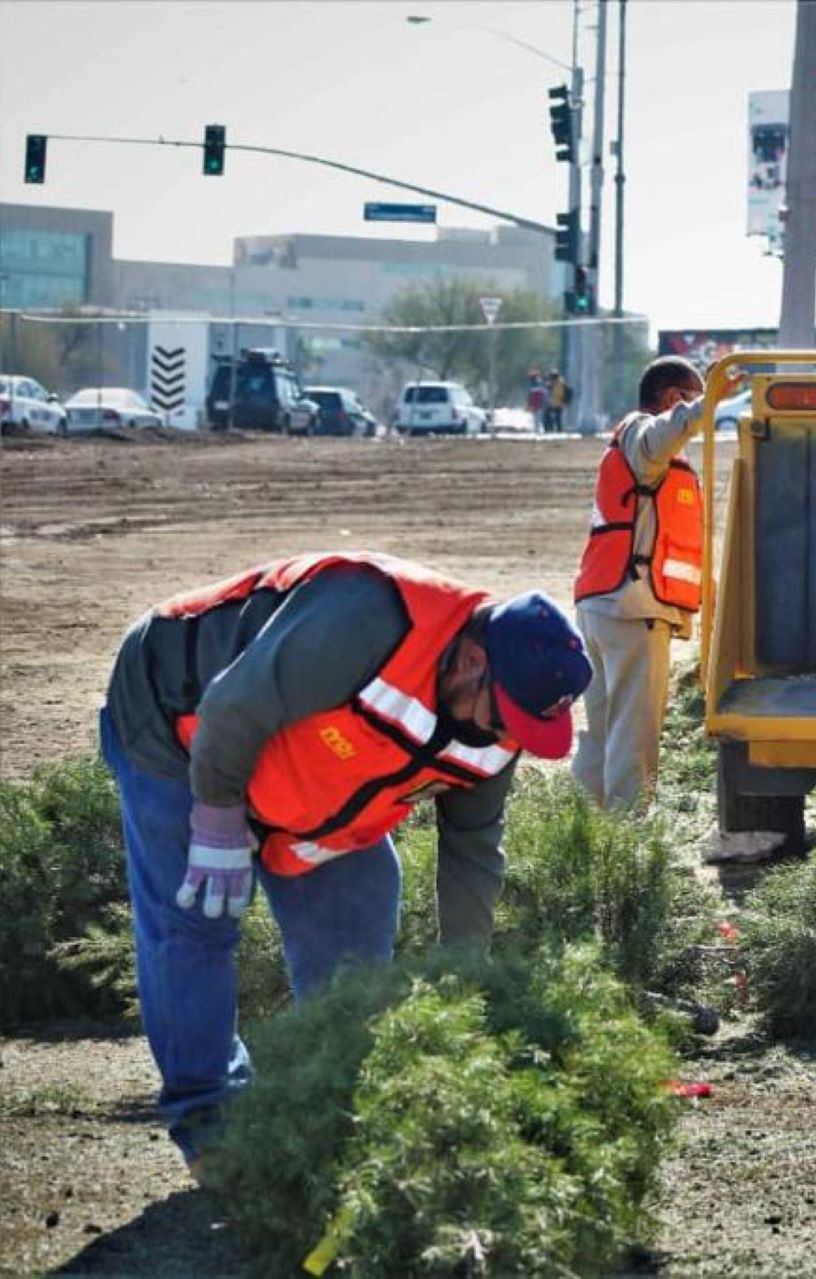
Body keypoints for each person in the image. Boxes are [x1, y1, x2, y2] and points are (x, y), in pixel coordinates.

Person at [98, 552, 591, 1168]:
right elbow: (234, 706)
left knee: (357, 912)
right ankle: (211, 1122)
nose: (509, 739)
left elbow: (472, 854)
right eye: (506, 720)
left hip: (306, 776)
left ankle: (327, 1099)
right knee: (195, 919)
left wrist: (464, 977)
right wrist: (219, 817)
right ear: (472, 662)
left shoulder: (503, 726)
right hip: (177, 714)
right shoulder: (368, 617)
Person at [572, 356, 737, 809]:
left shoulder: (633, 452)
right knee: (632, 730)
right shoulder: (643, 441)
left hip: (603, 604)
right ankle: (628, 834)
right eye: (692, 398)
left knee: (602, 731)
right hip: (633, 608)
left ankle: (587, 827)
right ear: (671, 399)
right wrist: (708, 403)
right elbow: (666, 431)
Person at [545, 368, 570, 434]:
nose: (550, 378)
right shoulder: (557, 382)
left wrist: (551, 387)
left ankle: (558, 431)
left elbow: (558, 394)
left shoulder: (559, 383)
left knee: (557, 418)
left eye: (551, 377)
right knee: (554, 418)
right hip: (555, 403)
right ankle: (554, 430)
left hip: (557, 404)